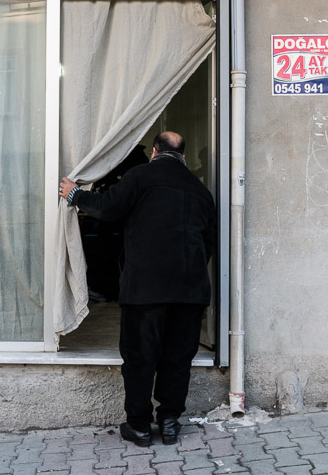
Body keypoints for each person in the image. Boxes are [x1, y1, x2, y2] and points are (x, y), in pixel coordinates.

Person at [59, 131, 217, 447]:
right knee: (177, 358)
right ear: (183, 156)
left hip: (147, 289)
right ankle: (170, 422)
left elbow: (107, 207)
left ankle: (140, 427)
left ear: (154, 151)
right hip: (190, 291)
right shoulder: (201, 190)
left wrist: (76, 195)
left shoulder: (141, 176)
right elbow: (208, 243)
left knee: (140, 357)